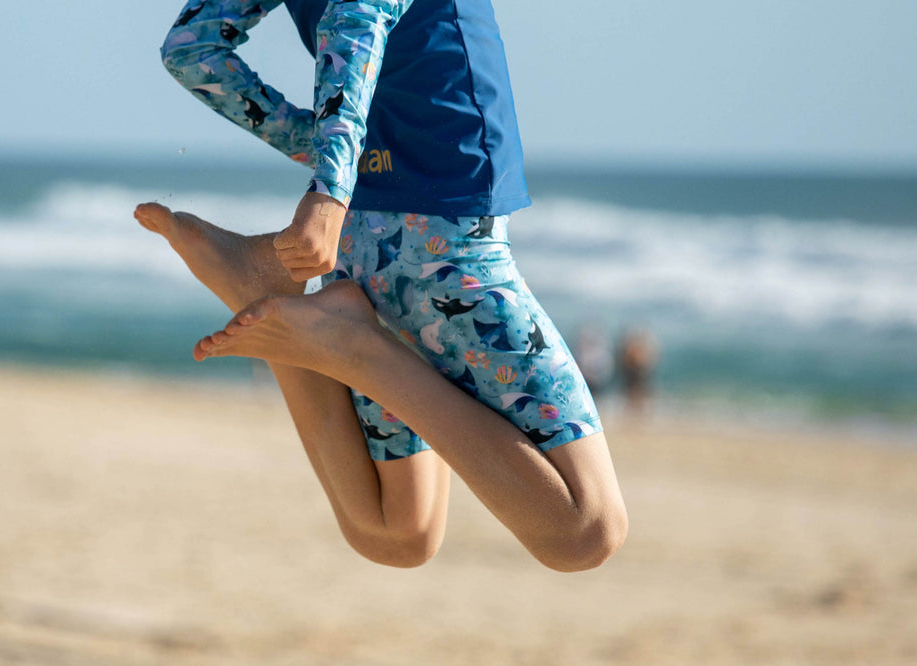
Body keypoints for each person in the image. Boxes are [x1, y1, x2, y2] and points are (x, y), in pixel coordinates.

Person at [135, 0, 628, 571]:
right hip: (443, 232)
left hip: (370, 235)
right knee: (585, 530)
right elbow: (359, 13)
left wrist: (331, 163)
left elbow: (192, 49)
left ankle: (270, 292)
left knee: (398, 530)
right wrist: (329, 188)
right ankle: (354, 347)